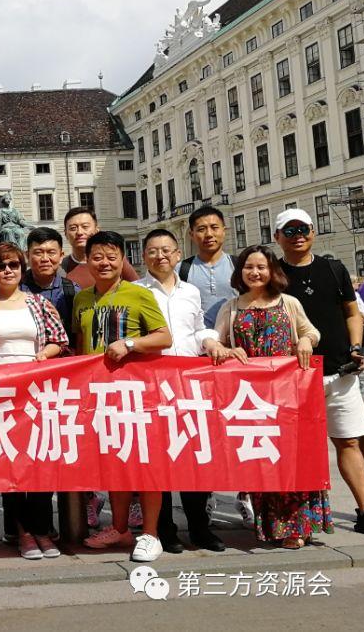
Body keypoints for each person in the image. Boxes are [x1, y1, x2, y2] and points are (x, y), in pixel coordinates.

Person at [212, 245, 332, 548]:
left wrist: (304, 340)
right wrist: (226, 350)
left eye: (261, 267)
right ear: (240, 272)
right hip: (252, 400)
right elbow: (216, 342)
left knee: (293, 459)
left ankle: (298, 526)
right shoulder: (232, 306)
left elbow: (313, 332)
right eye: (248, 267)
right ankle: (272, 526)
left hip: (288, 394)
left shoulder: (287, 303)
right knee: (264, 460)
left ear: (271, 271)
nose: (255, 272)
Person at [75, 231, 172, 563]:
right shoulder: (81, 299)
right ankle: (119, 528)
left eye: (112, 256)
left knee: (144, 465)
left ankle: (151, 533)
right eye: (97, 257)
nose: (104, 263)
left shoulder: (138, 294)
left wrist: (130, 344)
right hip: (98, 395)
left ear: (122, 260)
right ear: (87, 260)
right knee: (113, 463)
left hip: (136, 394)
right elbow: (79, 343)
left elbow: (163, 337)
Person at [273, 209, 364, 535]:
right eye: (289, 230)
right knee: (298, 450)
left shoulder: (334, 268)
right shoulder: (273, 274)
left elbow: (352, 313)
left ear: (312, 232)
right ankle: (301, 518)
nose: (297, 234)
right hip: (294, 377)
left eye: (303, 228)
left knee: (350, 441)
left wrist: (357, 347)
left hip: (339, 372)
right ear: (277, 238)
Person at [136, 229, 226, 554]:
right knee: (158, 462)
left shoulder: (190, 291)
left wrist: (211, 340)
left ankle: (200, 528)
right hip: (151, 386)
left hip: (189, 384)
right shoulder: (134, 291)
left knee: (193, 460)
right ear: (144, 257)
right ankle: (164, 530)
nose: (160, 256)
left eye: (166, 250)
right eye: (153, 251)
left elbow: (198, 327)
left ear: (177, 255)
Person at [0, 243, 68, 561]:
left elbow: (60, 339)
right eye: (1, 266)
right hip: (2, 394)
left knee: (40, 463)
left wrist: (44, 354)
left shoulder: (37, 303)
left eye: (14, 265)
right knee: (11, 466)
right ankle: (22, 532)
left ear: (21, 268)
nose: (7, 271)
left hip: (37, 391)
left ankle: (43, 529)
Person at [179, 207, 239, 329]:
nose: (209, 234)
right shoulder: (181, 270)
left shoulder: (239, 266)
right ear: (192, 234)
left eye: (214, 227)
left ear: (224, 230)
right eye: (201, 229)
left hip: (235, 340)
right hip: (197, 343)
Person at [61, 207, 138, 288]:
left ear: (96, 230)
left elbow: (137, 290)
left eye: (85, 227)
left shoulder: (114, 261)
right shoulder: (62, 267)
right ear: (66, 233)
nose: (79, 232)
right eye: (73, 228)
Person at [20, 226, 76, 334]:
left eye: (51, 252)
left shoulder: (72, 291)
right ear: (27, 256)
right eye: (38, 253)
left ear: (61, 256)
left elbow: (79, 333)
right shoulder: (15, 288)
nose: (45, 259)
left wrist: (61, 323)